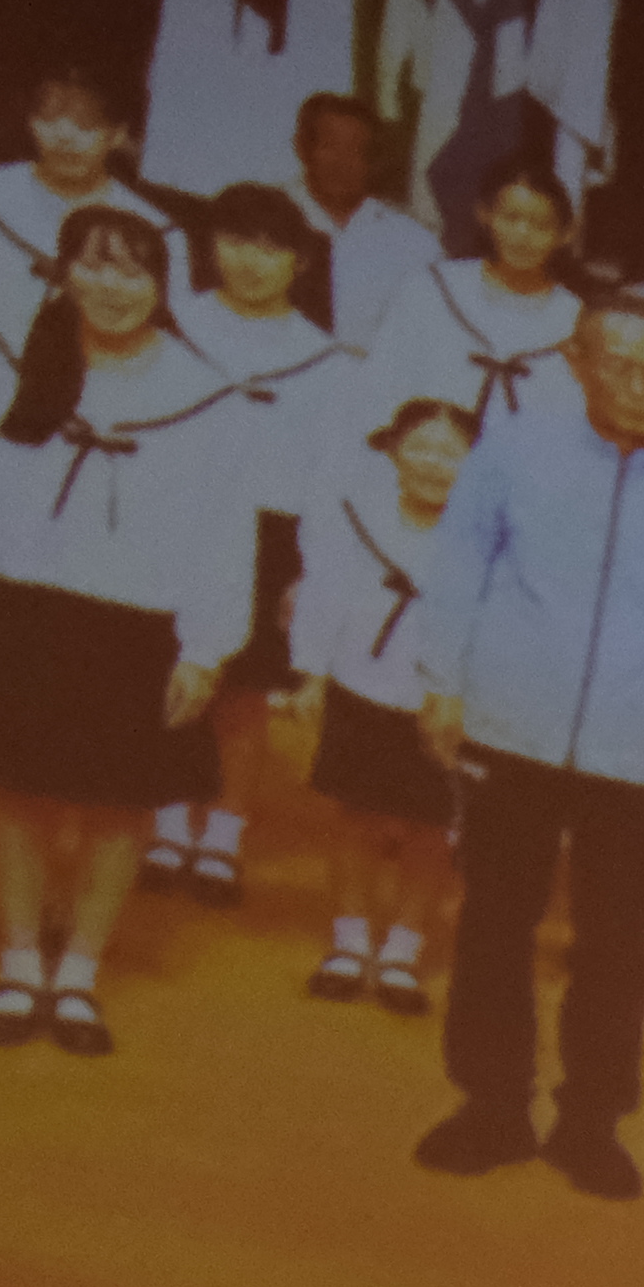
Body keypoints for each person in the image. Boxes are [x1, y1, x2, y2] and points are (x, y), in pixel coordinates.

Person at [406, 292, 644, 1201]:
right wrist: (441, 680)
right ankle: (490, 1106)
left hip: (638, 748)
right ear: (577, 362)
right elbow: (457, 567)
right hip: (509, 724)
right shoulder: (514, 451)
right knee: (494, 919)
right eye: (622, 365)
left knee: (616, 940)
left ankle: (591, 1121)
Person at [0, 205, 259, 1056]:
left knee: (119, 807)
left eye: (135, 271)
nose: (112, 288)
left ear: (162, 284)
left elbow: (225, 531)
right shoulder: (14, 370)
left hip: (140, 628)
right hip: (29, 613)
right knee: (23, 792)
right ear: (62, 272)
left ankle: (79, 975)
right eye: (93, 267)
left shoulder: (204, 392)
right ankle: (20, 961)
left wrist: (206, 648)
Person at [154, 182, 355, 908]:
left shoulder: (328, 361)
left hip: (274, 533)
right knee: (169, 670)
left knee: (242, 694)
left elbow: (334, 478)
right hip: (175, 517)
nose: (252, 262)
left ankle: (225, 835)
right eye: (237, 242)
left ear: (299, 262)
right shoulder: (171, 325)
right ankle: (168, 819)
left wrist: (312, 569)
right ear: (210, 248)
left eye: (272, 248)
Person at [279, 392, 470, 1008]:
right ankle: (349, 940)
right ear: (394, 451)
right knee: (357, 816)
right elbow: (322, 598)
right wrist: (310, 674)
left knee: (431, 829)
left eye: (454, 453)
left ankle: (402, 952)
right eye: (422, 447)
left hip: (442, 704)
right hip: (361, 684)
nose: (435, 464)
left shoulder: (489, 539)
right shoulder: (356, 520)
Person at [0, 68, 168, 470]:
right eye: (50, 115)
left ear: (118, 132)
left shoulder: (154, 230)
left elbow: (150, 354)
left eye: (86, 122)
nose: (64, 134)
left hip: (85, 433)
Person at [349, 155, 585, 445]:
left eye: (541, 225)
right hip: (426, 458)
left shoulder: (574, 318)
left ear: (566, 233)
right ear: (484, 214)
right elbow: (383, 381)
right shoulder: (432, 289)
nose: (523, 235)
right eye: (511, 218)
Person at [274, 93, 436, 359]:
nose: (343, 161)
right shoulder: (265, 224)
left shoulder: (412, 241)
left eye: (357, 150)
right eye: (330, 146)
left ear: (374, 161)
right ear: (302, 148)